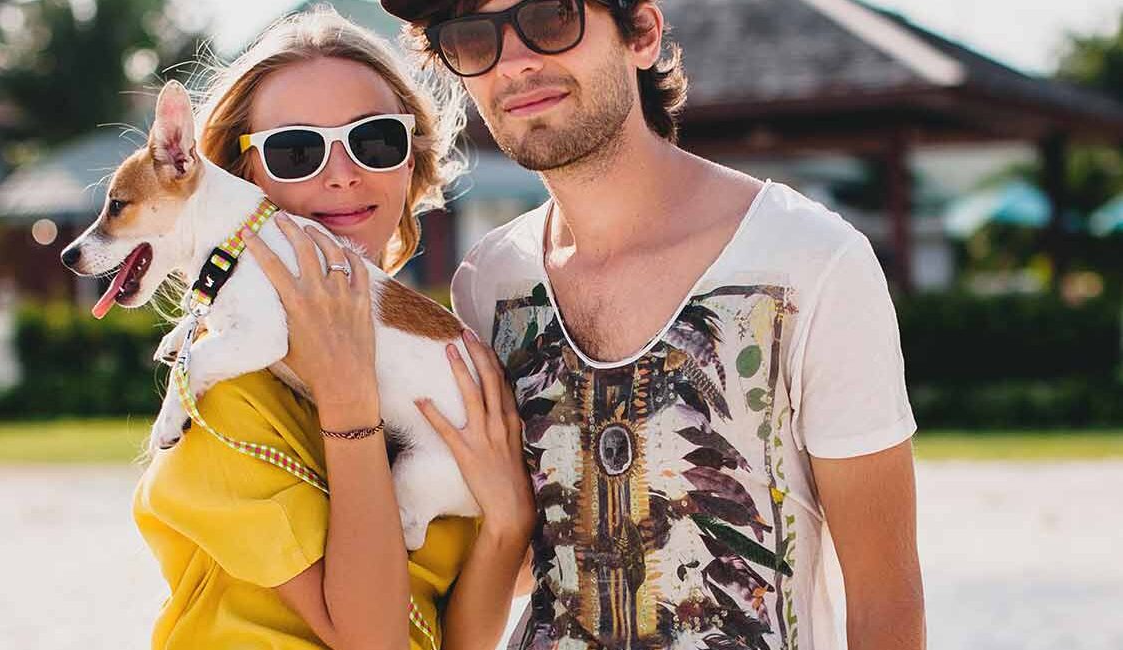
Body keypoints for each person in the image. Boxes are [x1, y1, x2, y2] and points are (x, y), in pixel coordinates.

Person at [379, 1, 926, 649]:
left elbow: (886, 598)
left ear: (641, 33)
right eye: (474, 39)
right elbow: (518, 562)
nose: (514, 63)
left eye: (551, 19)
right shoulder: (489, 282)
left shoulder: (809, 260)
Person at [132, 10, 535, 650]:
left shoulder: (439, 370)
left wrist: (509, 520)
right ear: (238, 180)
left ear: (410, 162)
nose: (343, 174)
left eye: (376, 141)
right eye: (296, 151)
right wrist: (348, 405)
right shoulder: (223, 393)